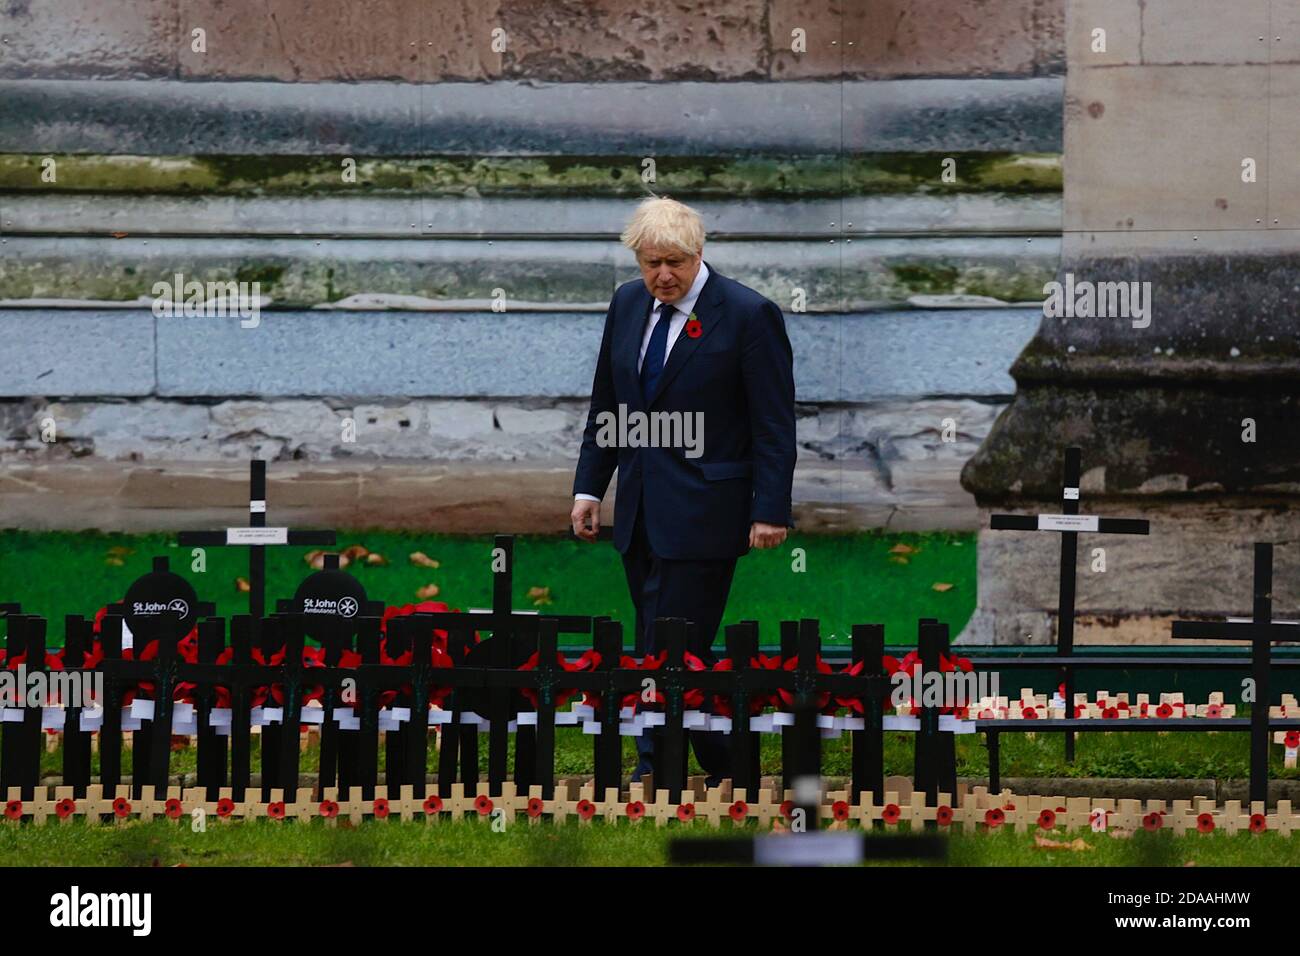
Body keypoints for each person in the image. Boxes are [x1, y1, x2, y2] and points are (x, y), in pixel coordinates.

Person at [570, 196, 796, 786]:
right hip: (639, 509)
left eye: (674, 262)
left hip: (707, 511)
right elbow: (609, 404)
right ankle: (727, 763)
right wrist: (590, 489)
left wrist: (769, 509)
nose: (662, 276)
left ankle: (655, 770)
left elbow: (773, 423)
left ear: (699, 254)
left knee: (675, 644)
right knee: (660, 642)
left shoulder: (748, 314)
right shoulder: (625, 304)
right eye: (650, 263)